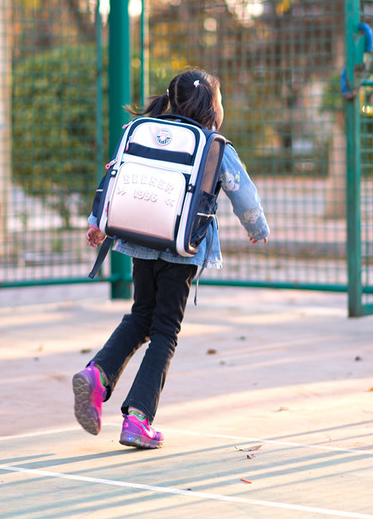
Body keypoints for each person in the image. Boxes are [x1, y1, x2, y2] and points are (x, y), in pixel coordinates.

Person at [76, 68, 269, 449]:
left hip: (137, 240)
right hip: (181, 248)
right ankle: (138, 419)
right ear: (211, 108)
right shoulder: (215, 145)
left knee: (140, 316)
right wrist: (257, 227)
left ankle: (98, 374)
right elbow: (241, 191)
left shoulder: (143, 129)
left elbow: (117, 177)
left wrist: (98, 221)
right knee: (164, 329)